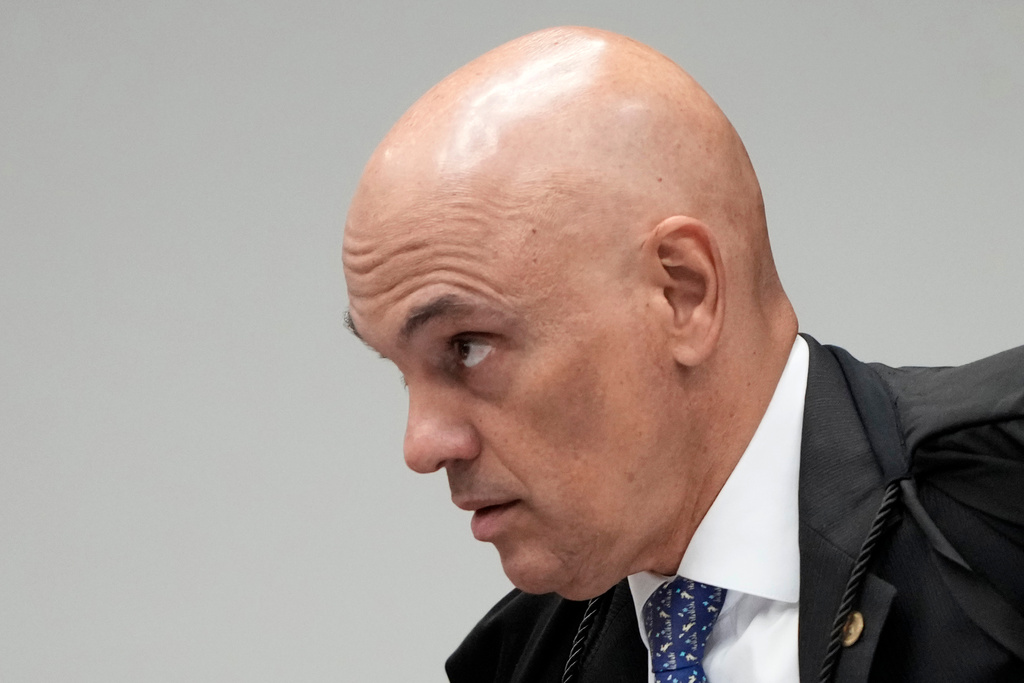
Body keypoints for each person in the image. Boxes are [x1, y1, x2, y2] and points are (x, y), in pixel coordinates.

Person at [342, 26, 1024, 683]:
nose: (422, 444)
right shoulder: (517, 661)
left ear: (683, 293)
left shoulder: (1000, 488)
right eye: (401, 373)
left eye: (467, 346)